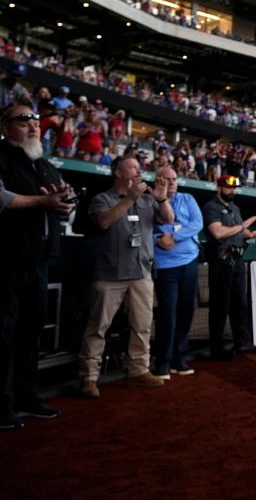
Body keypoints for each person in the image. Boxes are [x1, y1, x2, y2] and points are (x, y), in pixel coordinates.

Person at [0, 105, 75, 429]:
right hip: (7, 258)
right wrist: (43, 202)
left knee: (31, 330)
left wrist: (65, 200)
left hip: (41, 258)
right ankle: (2, 407)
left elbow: (66, 212)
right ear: (5, 127)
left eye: (35, 120)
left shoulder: (44, 165)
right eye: (24, 120)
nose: (33, 125)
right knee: (3, 333)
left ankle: (27, 396)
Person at [77, 156, 175, 397]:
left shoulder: (146, 198)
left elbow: (168, 219)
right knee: (98, 327)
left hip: (140, 272)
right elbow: (103, 222)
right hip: (109, 275)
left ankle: (138, 371)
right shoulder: (103, 198)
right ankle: (88, 377)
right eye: (132, 167)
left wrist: (161, 198)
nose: (138, 170)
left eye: (139, 167)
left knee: (142, 326)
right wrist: (129, 198)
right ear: (118, 173)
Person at [202, 175, 256, 359]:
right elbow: (218, 232)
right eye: (228, 188)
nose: (232, 191)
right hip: (221, 259)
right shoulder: (211, 207)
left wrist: (249, 233)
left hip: (237, 258)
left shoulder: (235, 208)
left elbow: (239, 230)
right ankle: (217, 347)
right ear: (218, 188)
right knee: (220, 304)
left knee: (240, 303)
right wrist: (242, 226)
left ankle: (241, 343)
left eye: (234, 188)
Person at [152, 166, 203, 379]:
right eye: (167, 179)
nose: (172, 182)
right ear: (158, 180)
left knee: (185, 311)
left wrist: (174, 235)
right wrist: (168, 234)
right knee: (167, 313)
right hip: (165, 265)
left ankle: (179, 358)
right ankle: (162, 361)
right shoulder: (149, 200)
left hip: (190, 261)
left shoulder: (188, 198)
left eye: (174, 179)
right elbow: (157, 233)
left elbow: (197, 223)